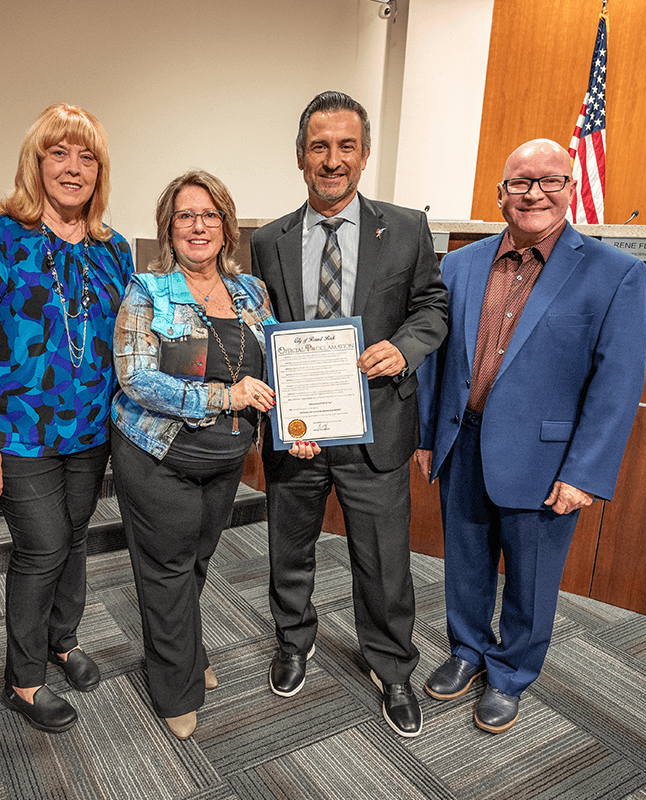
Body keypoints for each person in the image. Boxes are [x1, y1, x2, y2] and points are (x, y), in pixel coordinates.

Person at [415, 139, 646, 734]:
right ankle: (467, 650)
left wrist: (584, 473)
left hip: (546, 461)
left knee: (530, 577)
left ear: (571, 188)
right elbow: (438, 361)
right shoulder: (460, 265)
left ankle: (512, 672)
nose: (535, 193)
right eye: (521, 182)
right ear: (500, 194)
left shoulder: (614, 272)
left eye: (550, 180)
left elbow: (616, 385)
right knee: (465, 563)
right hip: (461, 442)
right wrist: (424, 436)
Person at [250, 91, 447, 738]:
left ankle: (392, 669)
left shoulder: (408, 228)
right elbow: (260, 334)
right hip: (300, 434)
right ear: (300, 156)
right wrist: (277, 419)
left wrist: (405, 348)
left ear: (364, 154)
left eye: (344, 146)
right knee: (290, 549)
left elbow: (432, 309)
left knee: (385, 561)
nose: (331, 160)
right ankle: (292, 640)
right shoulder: (269, 240)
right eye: (318, 146)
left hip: (378, 428)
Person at [0, 104, 134, 734]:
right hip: (19, 432)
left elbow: (133, 340)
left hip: (90, 431)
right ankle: (22, 681)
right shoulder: (0, 238)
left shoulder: (115, 250)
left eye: (87, 157)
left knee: (75, 536)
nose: (73, 168)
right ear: (37, 163)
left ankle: (63, 638)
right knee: (43, 545)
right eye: (60, 153)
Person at [110, 170, 278, 740]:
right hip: (159, 455)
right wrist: (225, 396)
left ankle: (184, 651)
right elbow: (135, 379)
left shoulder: (252, 292)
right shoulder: (147, 292)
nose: (198, 226)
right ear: (169, 229)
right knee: (167, 569)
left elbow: (277, 362)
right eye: (185, 216)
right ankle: (173, 685)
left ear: (227, 225)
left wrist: (299, 418)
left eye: (209, 215)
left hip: (226, 458)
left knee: (198, 561)